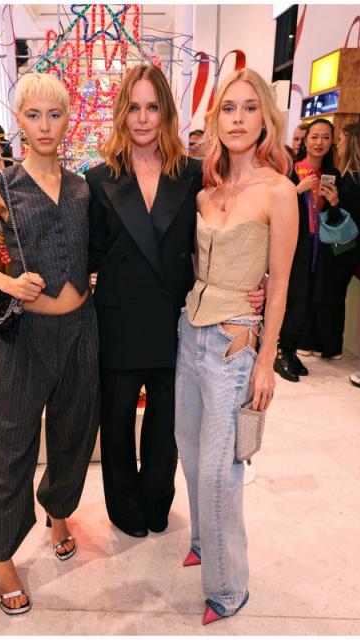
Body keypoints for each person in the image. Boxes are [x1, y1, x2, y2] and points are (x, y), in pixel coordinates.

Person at [0, 73, 98, 615]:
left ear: (67, 120)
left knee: (74, 434)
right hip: (23, 337)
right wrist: (9, 282)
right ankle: (3, 559)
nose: (44, 126)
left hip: (81, 331)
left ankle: (59, 513)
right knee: (7, 447)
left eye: (54, 115)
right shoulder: (1, 186)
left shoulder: (83, 187)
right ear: (19, 120)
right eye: (34, 115)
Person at [174, 68, 297, 625]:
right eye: (228, 109)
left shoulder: (279, 191)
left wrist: (266, 361)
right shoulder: (205, 190)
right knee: (189, 448)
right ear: (215, 119)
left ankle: (228, 587)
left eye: (249, 108)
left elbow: (281, 283)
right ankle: (204, 539)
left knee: (220, 470)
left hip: (234, 344)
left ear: (265, 118)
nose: (238, 119)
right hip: (189, 331)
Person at [86, 64, 204, 538]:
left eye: (152, 107)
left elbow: (210, 243)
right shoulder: (99, 179)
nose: (141, 117)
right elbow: (89, 252)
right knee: (116, 425)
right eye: (133, 107)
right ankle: (125, 508)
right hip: (117, 319)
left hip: (175, 319)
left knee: (166, 424)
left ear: (166, 113)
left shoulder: (193, 176)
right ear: (121, 113)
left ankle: (157, 502)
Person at [275, 118, 338, 378]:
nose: (319, 142)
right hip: (295, 244)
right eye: (314, 137)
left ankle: (290, 351)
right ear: (305, 140)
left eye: (325, 137)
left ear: (332, 141)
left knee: (309, 300)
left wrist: (334, 203)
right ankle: (282, 352)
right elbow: (276, 204)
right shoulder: (292, 169)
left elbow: (336, 219)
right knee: (295, 299)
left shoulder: (334, 174)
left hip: (318, 247)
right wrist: (297, 189)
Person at [335, 123, 360, 388]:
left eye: (339, 139)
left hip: (352, 251)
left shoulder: (354, 178)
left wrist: (335, 203)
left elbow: (352, 222)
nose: (337, 144)